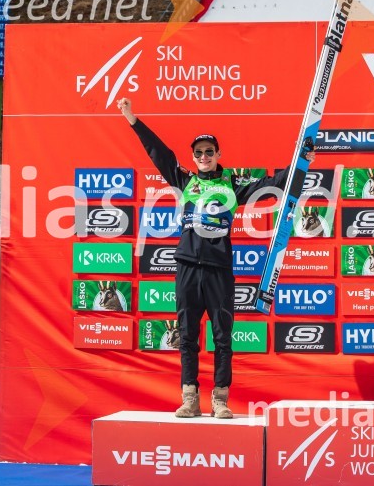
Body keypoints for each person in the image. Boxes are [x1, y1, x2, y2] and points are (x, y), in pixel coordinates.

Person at [117, 97, 314, 419]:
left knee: (223, 337)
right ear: (193, 158)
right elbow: (159, 153)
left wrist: (301, 162)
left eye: (209, 151)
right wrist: (133, 119)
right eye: (198, 153)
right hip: (187, 266)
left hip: (219, 269)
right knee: (187, 336)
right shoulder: (185, 180)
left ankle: (220, 400)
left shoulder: (232, 183)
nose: (204, 157)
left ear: (219, 155)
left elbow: (272, 184)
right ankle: (190, 398)